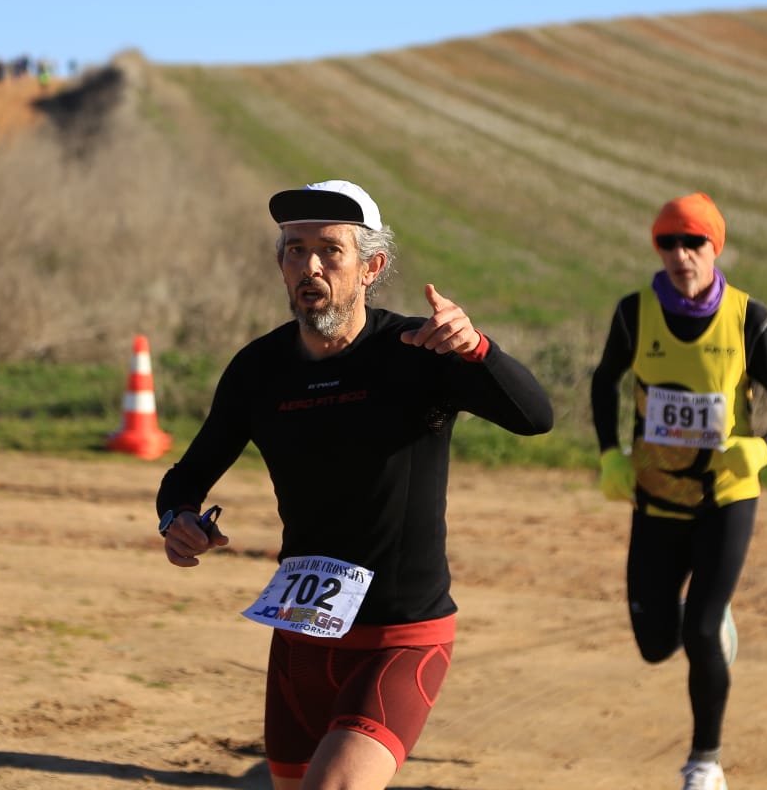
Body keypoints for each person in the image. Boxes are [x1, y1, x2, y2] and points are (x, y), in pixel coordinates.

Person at [156, 179, 554, 790]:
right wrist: (177, 520)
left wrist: (476, 349)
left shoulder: (420, 350)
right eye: (294, 250)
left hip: (399, 638)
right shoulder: (258, 369)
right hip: (300, 634)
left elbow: (535, 418)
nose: (309, 266)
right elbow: (188, 475)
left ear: (372, 267)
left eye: (330, 250)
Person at [589, 192, 767, 790]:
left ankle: (704, 763)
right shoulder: (635, 313)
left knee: (702, 630)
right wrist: (610, 453)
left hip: (727, 498)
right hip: (656, 499)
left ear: (715, 247)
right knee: (656, 643)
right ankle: (695, 620)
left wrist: (765, 448)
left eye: (694, 243)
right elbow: (603, 380)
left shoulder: (749, 318)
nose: (681, 255)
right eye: (669, 242)